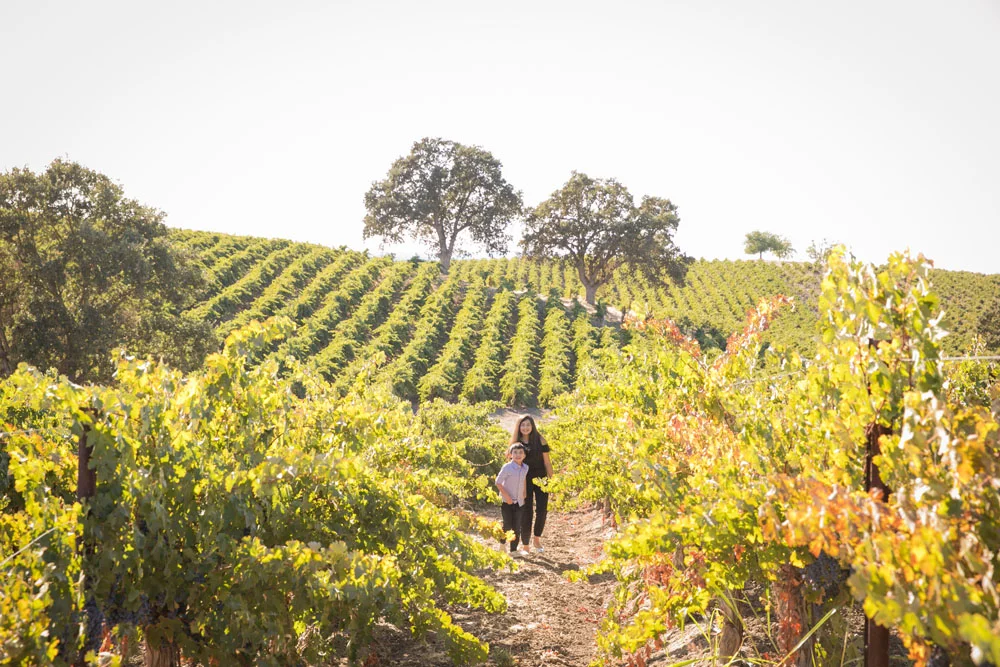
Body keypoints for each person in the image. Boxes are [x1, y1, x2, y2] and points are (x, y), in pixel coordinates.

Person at [510, 415, 553, 552]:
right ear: (519, 427)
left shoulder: (540, 440)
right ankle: (526, 544)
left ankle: (537, 539)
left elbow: (547, 462)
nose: (525, 428)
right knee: (526, 511)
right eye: (523, 425)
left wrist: (553, 482)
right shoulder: (516, 443)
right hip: (524, 480)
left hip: (541, 479)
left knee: (542, 510)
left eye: (528, 425)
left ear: (532, 425)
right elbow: (510, 462)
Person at [495, 443, 530, 553]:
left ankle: (513, 550)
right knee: (507, 525)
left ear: (524, 455)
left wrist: (524, 494)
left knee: (517, 526)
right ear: (510, 455)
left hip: (519, 502)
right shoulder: (507, 467)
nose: (518, 455)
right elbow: (498, 482)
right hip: (507, 502)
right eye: (515, 452)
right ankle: (502, 545)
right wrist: (507, 497)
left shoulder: (525, 467)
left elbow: (523, 479)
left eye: (521, 452)